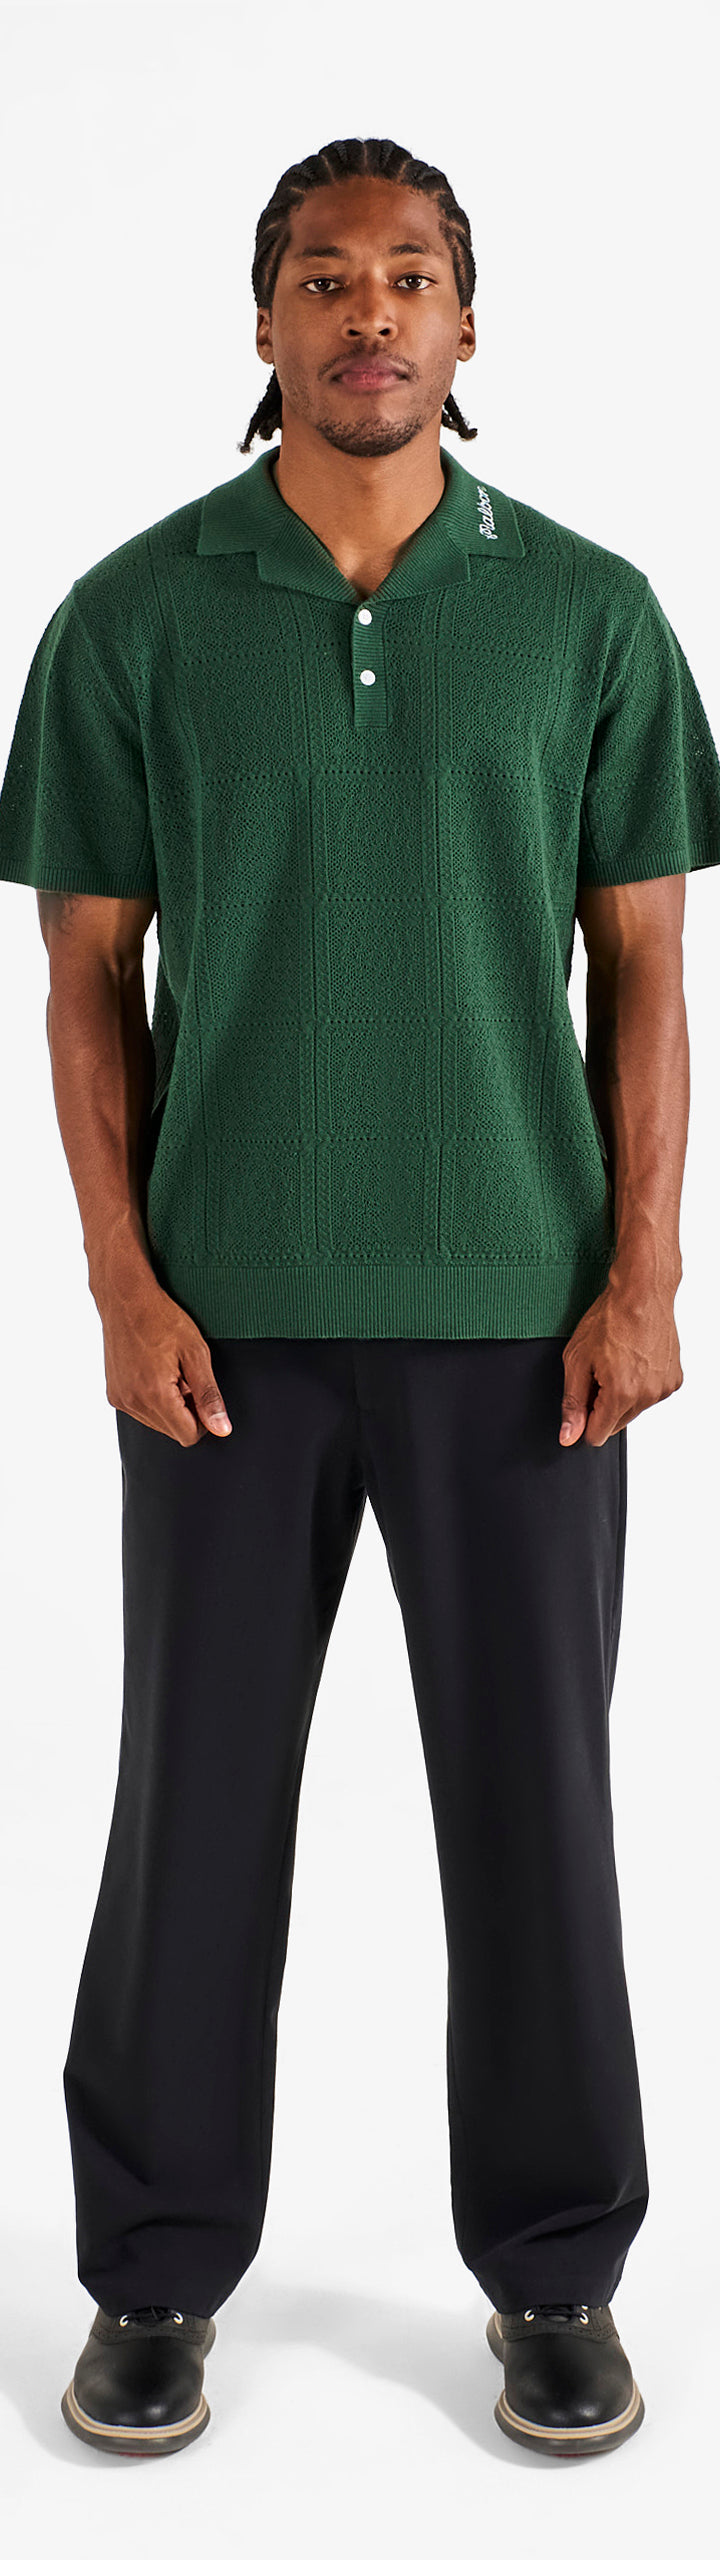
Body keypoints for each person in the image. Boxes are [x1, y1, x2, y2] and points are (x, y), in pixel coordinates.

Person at [1, 131, 719, 2466]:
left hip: (525, 1321)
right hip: (223, 1328)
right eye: (325, 277)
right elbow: (83, 976)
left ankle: (559, 2274)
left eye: (411, 276)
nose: (370, 312)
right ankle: (151, 2274)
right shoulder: (131, 616)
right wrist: (120, 1277)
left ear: (468, 326)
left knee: (541, 1813)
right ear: (266, 322)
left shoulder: (591, 613)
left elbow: (646, 965)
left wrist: (643, 1265)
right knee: (191, 1807)